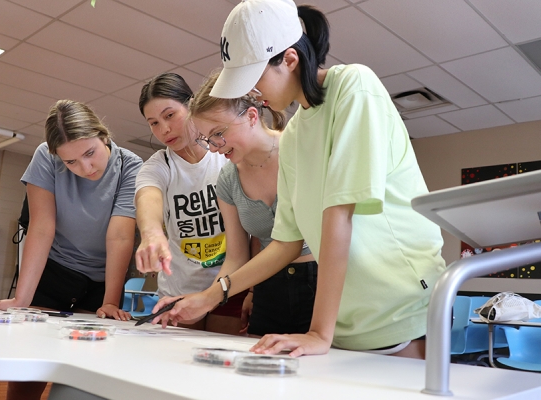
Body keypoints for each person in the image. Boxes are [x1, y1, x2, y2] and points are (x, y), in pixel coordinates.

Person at [154, 0, 446, 359]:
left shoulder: (353, 85)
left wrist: (318, 332)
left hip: (399, 309)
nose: (253, 93)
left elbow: (339, 214)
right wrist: (209, 297)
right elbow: (285, 243)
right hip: (346, 319)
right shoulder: (293, 136)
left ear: (289, 59)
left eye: (254, 79)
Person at [0, 99, 143, 400]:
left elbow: (120, 238)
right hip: (54, 270)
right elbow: (42, 227)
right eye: (70, 162)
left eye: (90, 153)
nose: (85, 168)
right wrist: (22, 299)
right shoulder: (45, 158)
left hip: (102, 281)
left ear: (104, 135)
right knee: (27, 371)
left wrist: (111, 302)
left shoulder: (132, 166)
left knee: (80, 375)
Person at [179, 71, 318, 336]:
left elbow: (295, 243)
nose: (214, 147)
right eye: (206, 139)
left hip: (320, 279)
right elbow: (237, 257)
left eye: (218, 133)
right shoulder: (228, 180)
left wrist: (211, 295)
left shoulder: (300, 150)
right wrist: (204, 298)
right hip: (268, 285)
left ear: (252, 116)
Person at [135, 72, 247, 335]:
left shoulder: (226, 156)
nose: (163, 129)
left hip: (229, 283)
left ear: (191, 105)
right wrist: (151, 233)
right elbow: (147, 196)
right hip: (179, 292)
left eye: (170, 115)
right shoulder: (158, 166)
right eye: (153, 123)